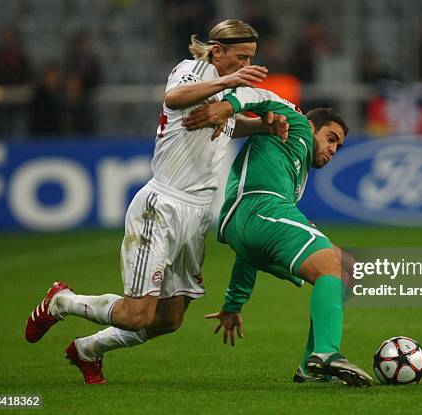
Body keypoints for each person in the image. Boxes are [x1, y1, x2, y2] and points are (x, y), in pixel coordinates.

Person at [24, 19, 287, 384]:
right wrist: (230, 84)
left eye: (250, 59)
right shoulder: (191, 71)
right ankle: (62, 301)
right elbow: (173, 99)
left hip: (196, 215)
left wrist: (261, 125)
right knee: (137, 315)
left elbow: (227, 124)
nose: (245, 66)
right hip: (161, 206)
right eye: (240, 58)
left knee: (169, 319)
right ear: (217, 51)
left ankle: (87, 350)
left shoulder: (222, 92)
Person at [184, 90, 373, 387]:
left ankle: (311, 367)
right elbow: (259, 97)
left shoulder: (294, 175)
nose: (334, 148)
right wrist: (227, 106)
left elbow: (250, 254)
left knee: (347, 271)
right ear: (312, 127)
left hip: (248, 225)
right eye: (331, 137)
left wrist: (234, 304)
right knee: (335, 266)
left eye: (339, 144)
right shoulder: (296, 124)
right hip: (258, 208)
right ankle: (325, 354)